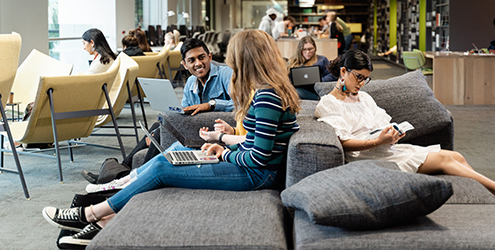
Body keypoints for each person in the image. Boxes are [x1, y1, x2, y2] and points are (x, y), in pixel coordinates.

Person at [42, 29, 301, 247]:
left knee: (163, 168)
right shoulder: (270, 91)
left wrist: (224, 152)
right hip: (257, 170)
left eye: (233, 57)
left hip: (258, 175)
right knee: (167, 159)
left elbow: (259, 156)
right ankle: (103, 220)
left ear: (245, 59)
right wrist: (223, 140)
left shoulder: (266, 96)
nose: (229, 63)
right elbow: (258, 141)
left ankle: (90, 214)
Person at [314, 49, 495, 195]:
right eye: (359, 77)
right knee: (445, 159)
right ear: (343, 72)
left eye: (365, 79)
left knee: (456, 156)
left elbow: (382, 122)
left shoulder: (364, 98)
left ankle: (485, 196)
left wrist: (392, 134)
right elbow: (344, 142)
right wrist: (377, 141)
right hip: (366, 157)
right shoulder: (328, 104)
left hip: (385, 150)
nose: (361, 83)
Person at [81, 38, 235, 184]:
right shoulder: (190, 82)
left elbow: (242, 105)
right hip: (195, 129)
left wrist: (211, 104)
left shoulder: (225, 74)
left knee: (160, 130)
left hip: (216, 130)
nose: (198, 63)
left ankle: (126, 176)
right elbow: (183, 112)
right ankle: (119, 173)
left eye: (202, 57)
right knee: (157, 128)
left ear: (209, 56)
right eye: (191, 60)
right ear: (184, 64)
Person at [287, 36, 337, 100]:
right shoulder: (292, 62)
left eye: (310, 49)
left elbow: (332, 75)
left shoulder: (322, 60)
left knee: (294, 93)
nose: (308, 52)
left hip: (315, 92)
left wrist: (319, 81)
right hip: (298, 89)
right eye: (304, 49)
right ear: (300, 50)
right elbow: (287, 79)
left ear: (315, 49)